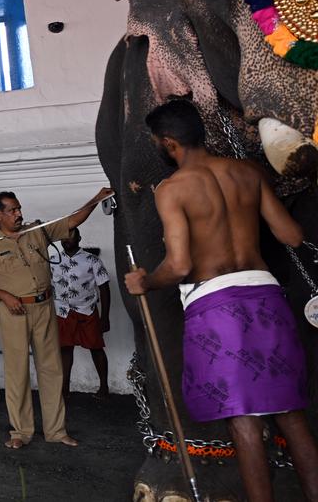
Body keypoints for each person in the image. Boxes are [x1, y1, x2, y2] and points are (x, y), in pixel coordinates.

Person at [124, 99, 318, 500]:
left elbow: (179, 266)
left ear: (167, 143)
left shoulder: (172, 189)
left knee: (243, 420)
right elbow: (291, 235)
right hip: (267, 297)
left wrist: (146, 281)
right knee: (292, 416)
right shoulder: (248, 172)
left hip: (217, 308)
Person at [0, 186, 112, 449]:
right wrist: (3, 296)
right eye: (12, 210)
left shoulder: (37, 231)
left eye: (19, 208)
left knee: (52, 369)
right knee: (17, 373)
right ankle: (21, 432)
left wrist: (95, 199)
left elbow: (72, 220)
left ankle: (56, 430)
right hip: (14, 312)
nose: (19, 214)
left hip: (45, 307)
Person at [52, 228, 110, 398]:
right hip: (62, 312)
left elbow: (104, 288)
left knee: (96, 348)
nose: (66, 239)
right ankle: (64, 390)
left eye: (70, 235)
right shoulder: (53, 261)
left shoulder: (92, 260)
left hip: (87, 311)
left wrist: (104, 317)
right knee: (65, 349)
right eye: (63, 236)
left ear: (79, 238)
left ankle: (104, 387)